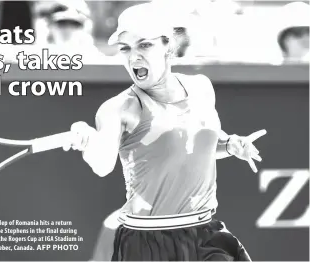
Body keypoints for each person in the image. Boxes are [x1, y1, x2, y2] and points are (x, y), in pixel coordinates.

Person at [63, 3, 266, 261]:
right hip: (146, 244)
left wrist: (230, 144)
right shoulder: (118, 108)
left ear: (168, 46)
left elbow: (193, 143)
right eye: (125, 48)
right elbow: (102, 164)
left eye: (144, 45)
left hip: (207, 235)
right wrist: (87, 139)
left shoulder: (201, 87)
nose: (133, 56)